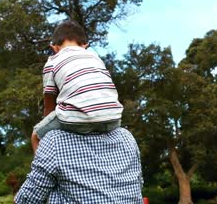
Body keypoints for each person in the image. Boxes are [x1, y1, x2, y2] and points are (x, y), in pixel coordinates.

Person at [31, 20, 123, 151]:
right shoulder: (95, 58)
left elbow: (49, 104)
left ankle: (43, 169)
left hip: (77, 121)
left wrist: (46, 125)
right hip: (113, 119)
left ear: (54, 48)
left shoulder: (53, 61)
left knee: (36, 136)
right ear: (85, 46)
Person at [14, 127, 143, 203]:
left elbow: (27, 199)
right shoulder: (127, 137)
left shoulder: (56, 140)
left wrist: (36, 140)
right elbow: (138, 185)